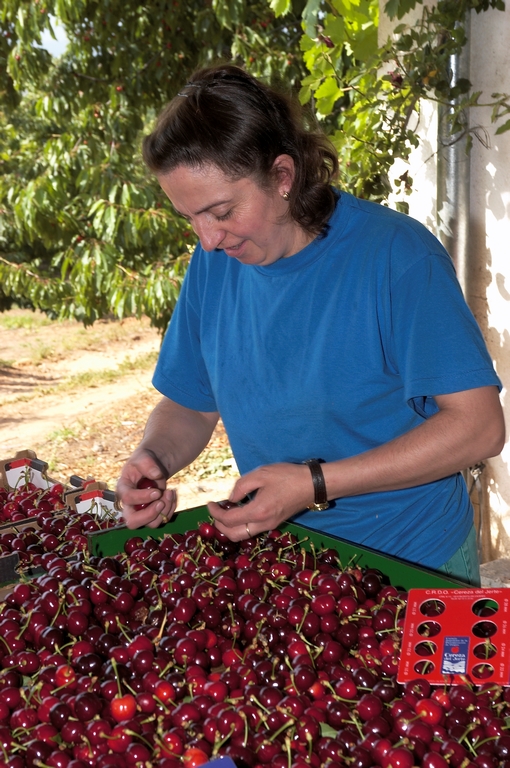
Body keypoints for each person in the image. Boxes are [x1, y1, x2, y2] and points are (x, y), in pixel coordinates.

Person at [116, 63, 505, 585]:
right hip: (292, 562)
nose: (207, 238)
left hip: (410, 563)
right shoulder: (215, 264)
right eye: (191, 218)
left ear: (282, 176)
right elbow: (191, 403)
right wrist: (153, 458)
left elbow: (479, 427)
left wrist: (316, 483)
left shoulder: (395, 255)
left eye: (222, 211)